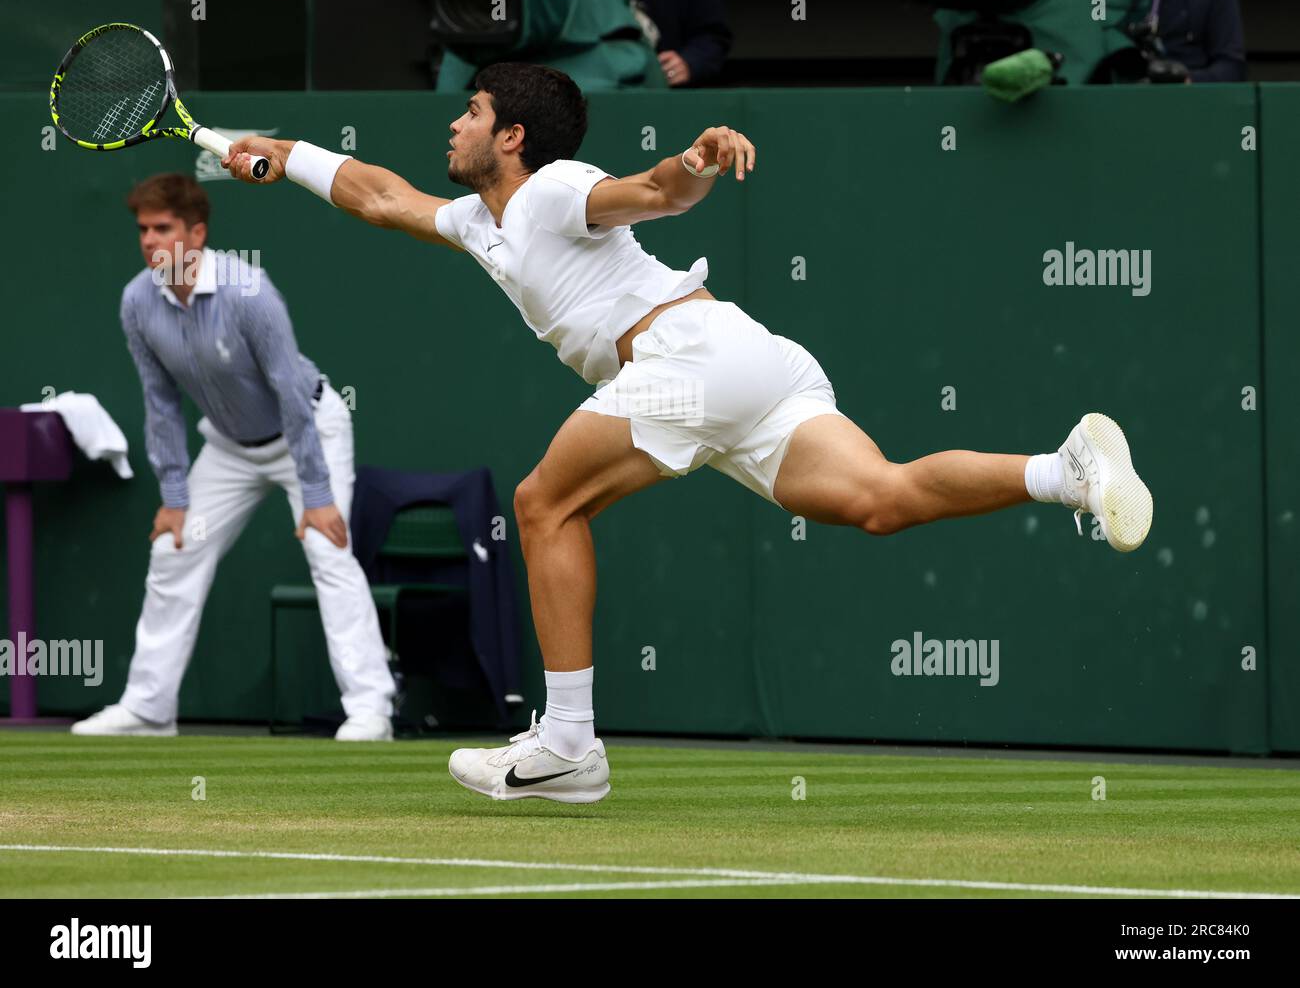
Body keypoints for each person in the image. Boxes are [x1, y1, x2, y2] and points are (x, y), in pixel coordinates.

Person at [222, 62, 1153, 800]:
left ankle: (569, 743)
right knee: (882, 499)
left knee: (543, 504)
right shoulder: (479, 220)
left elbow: (651, 193)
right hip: (745, 360)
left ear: (511, 136)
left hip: (680, 364)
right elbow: (379, 195)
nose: (452, 125)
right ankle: (1062, 471)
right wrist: (285, 152)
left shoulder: (552, 191)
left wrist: (695, 165)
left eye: (470, 112)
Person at [71, 174, 396, 741]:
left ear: (196, 233)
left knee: (329, 550)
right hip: (227, 447)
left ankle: (371, 710)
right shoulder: (136, 301)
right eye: (143, 229)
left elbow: (290, 393)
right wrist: (174, 497)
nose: (149, 241)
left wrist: (317, 497)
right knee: (175, 551)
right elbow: (161, 402)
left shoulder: (250, 291)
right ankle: (148, 709)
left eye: (163, 228)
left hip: (308, 432)